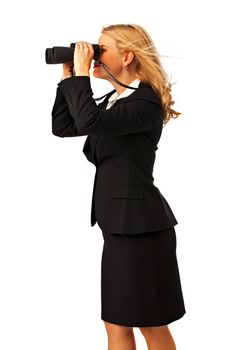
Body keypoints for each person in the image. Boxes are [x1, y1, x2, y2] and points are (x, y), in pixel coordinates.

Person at [51, 23, 186, 350]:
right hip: (118, 226)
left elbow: (88, 123)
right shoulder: (113, 101)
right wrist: (69, 79)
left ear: (127, 57)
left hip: (142, 230)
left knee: (151, 327)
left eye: (102, 49)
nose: (95, 55)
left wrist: (83, 76)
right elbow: (64, 126)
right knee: (115, 323)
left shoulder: (145, 103)